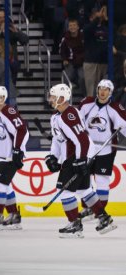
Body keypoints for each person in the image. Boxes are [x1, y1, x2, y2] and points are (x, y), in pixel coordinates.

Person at [46, 83, 117, 237]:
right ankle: (104, 218)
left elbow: (82, 140)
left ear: (62, 98)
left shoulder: (69, 115)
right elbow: (58, 140)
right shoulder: (56, 117)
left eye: (53, 96)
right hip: (76, 158)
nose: (50, 99)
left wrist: (81, 160)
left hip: (76, 158)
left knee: (64, 192)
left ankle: (75, 225)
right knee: (84, 190)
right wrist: (52, 156)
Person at [78, 79, 126, 220]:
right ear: (97, 90)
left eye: (106, 89)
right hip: (87, 149)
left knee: (102, 180)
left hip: (105, 150)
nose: (103, 91)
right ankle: (88, 208)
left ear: (110, 92)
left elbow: (124, 126)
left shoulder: (115, 108)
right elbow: (76, 122)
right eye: (101, 88)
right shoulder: (87, 103)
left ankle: (100, 211)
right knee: (84, 180)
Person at [0, 86, 29, 230]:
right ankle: (14, 216)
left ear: (3, 98)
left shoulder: (8, 111)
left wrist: (17, 151)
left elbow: (22, 130)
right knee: (6, 186)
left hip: (10, 157)